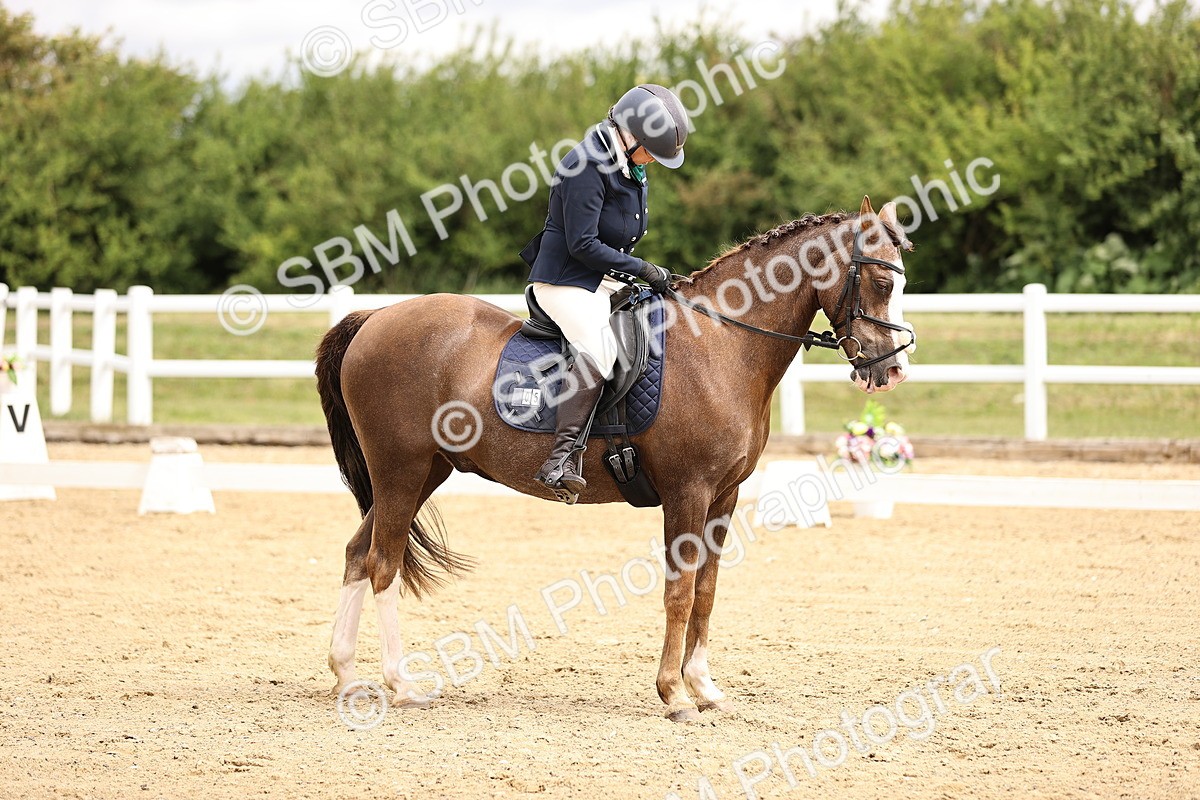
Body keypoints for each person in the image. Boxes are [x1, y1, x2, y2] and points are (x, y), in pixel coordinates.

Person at [519, 83, 689, 499]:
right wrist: (645, 269)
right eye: (651, 149)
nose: (653, 160)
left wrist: (638, 275)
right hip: (566, 280)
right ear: (631, 135)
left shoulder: (627, 163)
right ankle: (559, 461)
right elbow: (583, 244)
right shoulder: (585, 165)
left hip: (603, 278)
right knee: (600, 350)